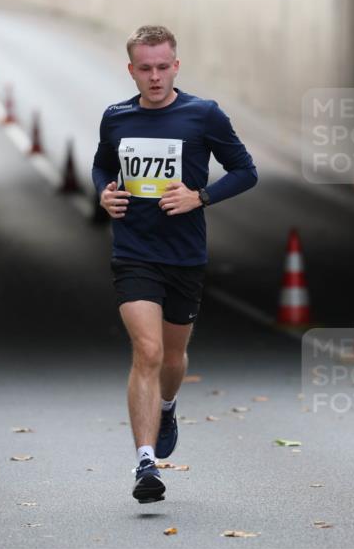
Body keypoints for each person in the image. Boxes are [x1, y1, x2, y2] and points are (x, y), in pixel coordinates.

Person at [92, 25, 258, 503]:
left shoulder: (203, 115)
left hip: (184, 255)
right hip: (133, 253)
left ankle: (167, 406)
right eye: (145, 68)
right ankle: (146, 463)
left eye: (163, 67)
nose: (155, 76)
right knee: (147, 351)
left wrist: (199, 196)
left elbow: (246, 171)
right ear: (131, 70)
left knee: (172, 356)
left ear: (176, 66)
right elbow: (102, 164)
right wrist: (104, 192)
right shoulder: (116, 117)